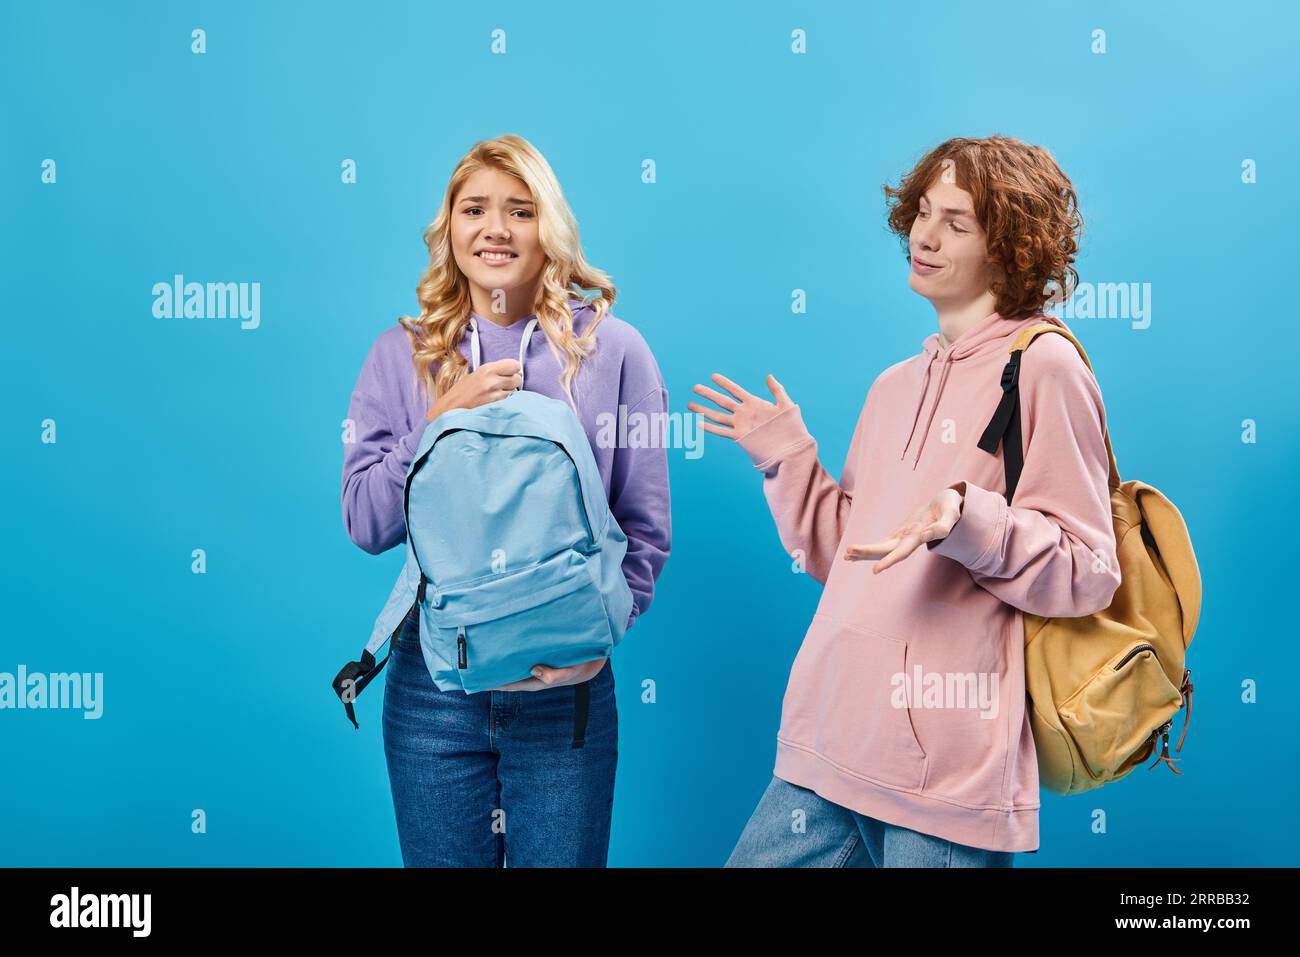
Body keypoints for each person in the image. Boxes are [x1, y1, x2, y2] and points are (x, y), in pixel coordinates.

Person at [690, 135, 1120, 867]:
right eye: (923, 213)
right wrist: (789, 457)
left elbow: (1088, 569)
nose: (923, 235)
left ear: (1009, 245)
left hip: (942, 776)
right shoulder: (894, 385)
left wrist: (964, 518)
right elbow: (842, 556)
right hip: (828, 741)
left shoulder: (1044, 365)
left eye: (956, 222)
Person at [341, 134, 671, 867]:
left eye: (518, 210)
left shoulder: (615, 352)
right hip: (434, 694)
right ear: (449, 228)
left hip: (566, 693)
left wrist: (599, 641)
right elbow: (365, 520)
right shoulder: (403, 354)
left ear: (547, 227)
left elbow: (644, 531)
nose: (495, 228)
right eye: (475, 209)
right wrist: (439, 420)